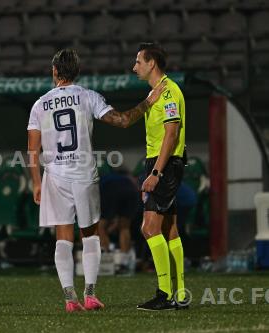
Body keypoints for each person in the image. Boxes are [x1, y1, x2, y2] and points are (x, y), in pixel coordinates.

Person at [27, 48, 164, 312]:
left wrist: (35, 182)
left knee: (62, 237)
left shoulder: (40, 104)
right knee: (90, 234)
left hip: (55, 176)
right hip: (83, 175)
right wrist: (148, 102)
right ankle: (90, 295)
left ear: (55, 71)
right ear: (76, 73)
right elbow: (123, 120)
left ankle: (70, 299)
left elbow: (33, 151)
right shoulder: (87, 97)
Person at [133, 42, 188, 311]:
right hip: (164, 162)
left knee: (149, 228)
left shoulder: (168, 92)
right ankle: (180, 292)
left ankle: (164, 294)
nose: (135, 67)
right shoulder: (157, 92)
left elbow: (172, 133)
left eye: (138, 62)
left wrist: (156, 172)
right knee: (169, 229)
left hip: (164, 164)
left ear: (151, 63)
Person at [98, 170, 140, 274]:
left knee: (100, 227)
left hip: (110, 190)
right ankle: (123, 263)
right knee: (124, 228)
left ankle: (106, 260)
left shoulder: (101, 180)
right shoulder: (123, 178)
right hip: (132, 191)